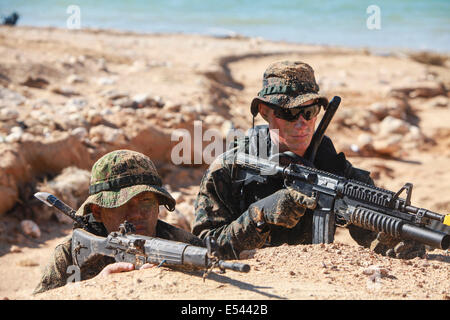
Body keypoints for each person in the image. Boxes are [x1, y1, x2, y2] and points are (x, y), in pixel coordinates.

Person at [192, 61, 425, 260]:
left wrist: (398, 236)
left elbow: (376, 235)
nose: (302, 123)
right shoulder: (231, 168)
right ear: (265, 112)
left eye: (310, 112)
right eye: (289, 113)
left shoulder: (333, 167)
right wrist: (257, 218)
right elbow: (205, 247)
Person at [34, 149, 203, 294]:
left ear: (158, 205)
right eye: (121, 204)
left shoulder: (187, 247)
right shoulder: (71, 254)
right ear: (98, 211)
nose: (136, 214)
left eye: (145, 201)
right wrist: (94, 288)